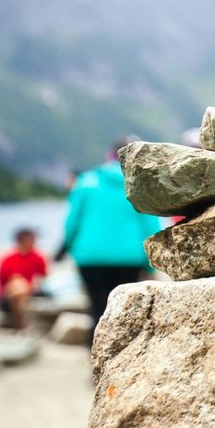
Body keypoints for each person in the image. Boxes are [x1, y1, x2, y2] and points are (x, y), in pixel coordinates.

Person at [60, 138, 162, 326]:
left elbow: (71, 223)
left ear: (109, 156)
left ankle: (93, 352)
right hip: (129, 257)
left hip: (89, 257)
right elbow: (150, 224)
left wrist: (67, 249)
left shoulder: (85, 182)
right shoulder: (138, 183)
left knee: (97, 310)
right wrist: (151, 264)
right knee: (123, 312)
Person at [0, 227, 49, 332]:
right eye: (32, 239)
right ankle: (21, 325)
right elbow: (5, 283)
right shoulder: (8, 258)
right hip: (9, 297)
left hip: (29, 292)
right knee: (17, 285)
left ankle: (21, 326)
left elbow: (44, 277)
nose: (34, 242)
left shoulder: (37, 257)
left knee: (20, 286)